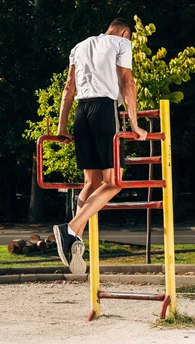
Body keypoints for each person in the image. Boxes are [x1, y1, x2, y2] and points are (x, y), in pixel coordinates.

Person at [53, 18, 147, 273]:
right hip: (105, 111)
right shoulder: (121, 44)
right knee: (114, 182)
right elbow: (127, 82)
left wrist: (62, 128)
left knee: (91, 183)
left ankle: (73, 241)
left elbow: (68, 88)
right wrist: (135, 125)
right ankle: (70, 228)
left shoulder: (79, 46)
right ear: (125, 32)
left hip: (81, 114)